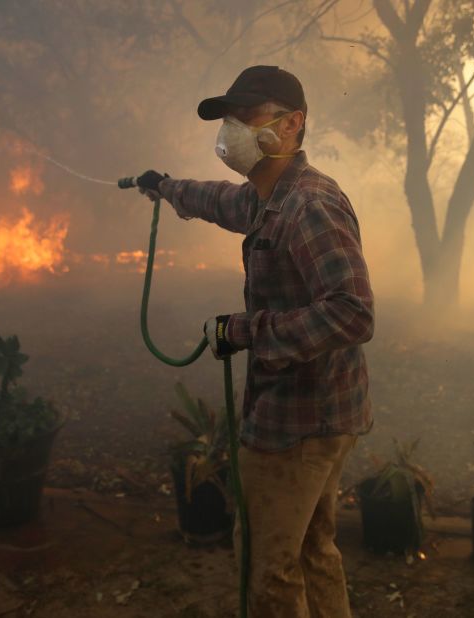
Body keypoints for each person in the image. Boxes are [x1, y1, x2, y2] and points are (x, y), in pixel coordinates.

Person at [137, 65, 374, 618]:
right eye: (229, 119)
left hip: (300, 423)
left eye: (248, 116)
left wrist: (242, 330)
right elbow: (225, 202)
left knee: (267, 566)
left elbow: (352, 313)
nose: (233, 130)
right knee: (312, 550)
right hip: (324, 415)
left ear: (293, 125)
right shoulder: (268, 197)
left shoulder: (309, 205)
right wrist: (167, 188)